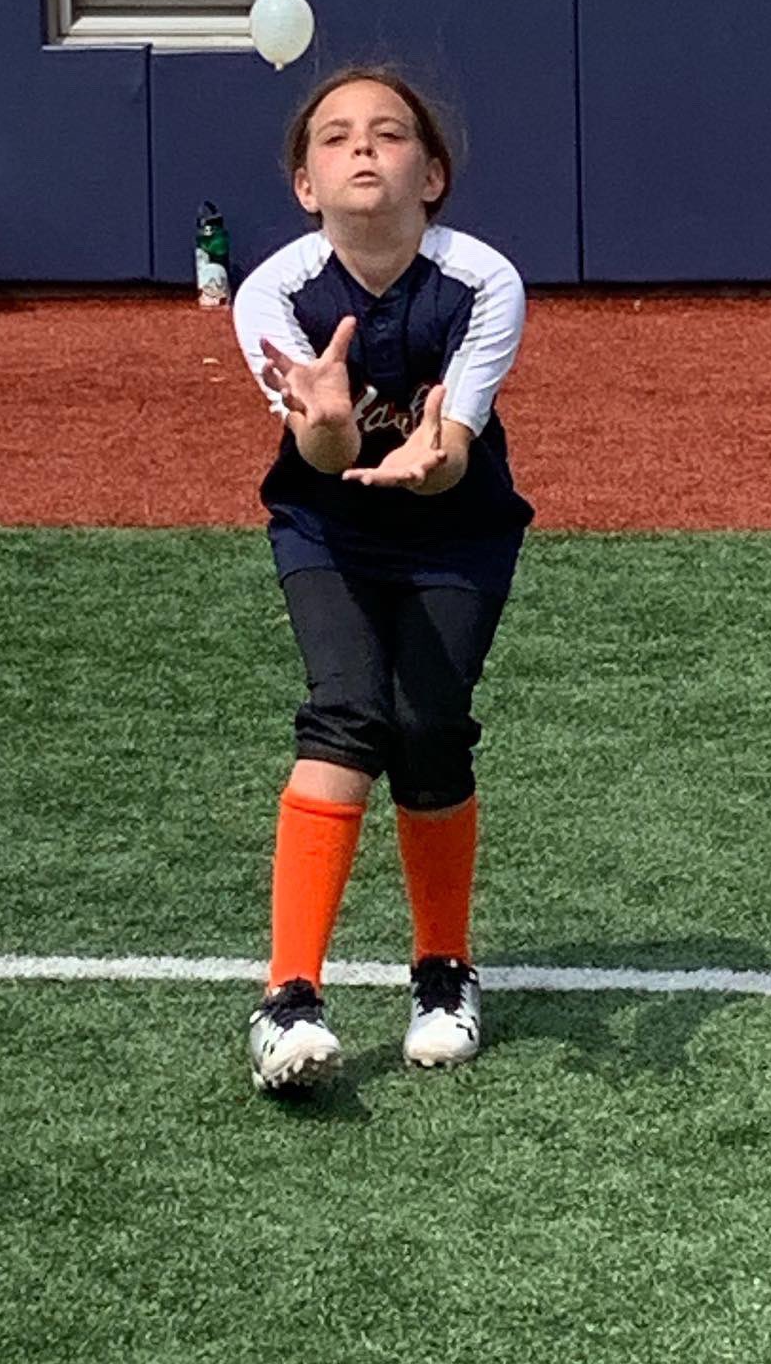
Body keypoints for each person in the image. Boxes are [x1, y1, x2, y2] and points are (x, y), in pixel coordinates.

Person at [230, 65, 534, 1093]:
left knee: (429, 727)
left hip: (457, 529)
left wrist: (427, 455)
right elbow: (320, 459)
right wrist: (326, 424)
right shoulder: (273, 294)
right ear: (305, 185)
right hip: (328, 526)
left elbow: (450, 455)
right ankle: (287, 1001)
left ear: (432, 174)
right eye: (336, 137)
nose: (363, 147)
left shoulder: (484, 282)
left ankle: (444, 974)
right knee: (347, 716)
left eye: (390, 132)